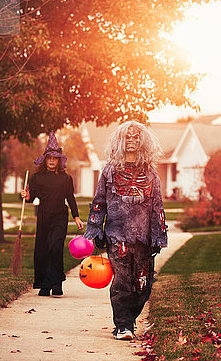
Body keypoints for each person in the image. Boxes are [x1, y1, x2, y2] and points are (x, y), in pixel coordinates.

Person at [84, 121, 168, 340]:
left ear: (143, 142)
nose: (131, 141)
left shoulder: (150, 173)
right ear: (120, 141)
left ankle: (129, 319)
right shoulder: (110, 171)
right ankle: (123, 325)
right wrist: (95, 229)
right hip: (117, 236)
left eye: (136, 137)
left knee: (143, 284)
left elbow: (157, 206)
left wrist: (158, 235)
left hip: (143, 238)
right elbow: (99, 202)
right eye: (127, 138)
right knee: (122, 281)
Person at [21, 131, 83, 296]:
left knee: (55, 247)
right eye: (49, 158)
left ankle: (52, 285)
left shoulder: (66, 179)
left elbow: (70, 197)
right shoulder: (36, 178)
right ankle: (50, 284)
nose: (51, 161)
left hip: (60, 216)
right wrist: (27, 196)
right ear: (45, 160)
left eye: (55, 159)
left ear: (59, 161)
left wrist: (76, 217)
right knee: (43, 249)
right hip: (43, 216)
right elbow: (31, 196)